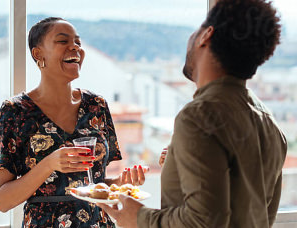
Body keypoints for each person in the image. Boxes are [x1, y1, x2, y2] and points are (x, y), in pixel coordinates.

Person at [98, 0, 287, 227]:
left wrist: (138, 217)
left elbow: (204, 220)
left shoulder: (199, 117)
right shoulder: (270, 125)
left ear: (206, 35)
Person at [0, 17, 146, 227]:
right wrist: (49, 164)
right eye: (63, 41)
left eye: (78, 43)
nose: (75, 47)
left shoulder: (97, 105)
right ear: (38, 54)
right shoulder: (15, 111)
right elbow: (2, 201)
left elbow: (95, 184)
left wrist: (120, 183)